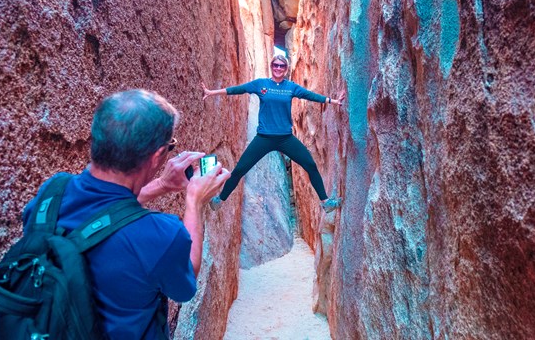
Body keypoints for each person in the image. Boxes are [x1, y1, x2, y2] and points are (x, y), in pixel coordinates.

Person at [22, 89, 230, 339]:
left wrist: (161, 185)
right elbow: (185, 284)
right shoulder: (160, 235)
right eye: (169, 147)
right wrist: (195, 202)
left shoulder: (51, 194)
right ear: (156, 157)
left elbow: (101, 216)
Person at [201, 54, 343, 213]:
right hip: (264, 138)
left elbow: (310, 95)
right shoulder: (261, 84)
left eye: (282, 66)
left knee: (310, 164)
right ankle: (219, 200)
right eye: (275, 65)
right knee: (240, 169)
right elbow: (237, 89)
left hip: (285, 138)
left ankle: (326, 203)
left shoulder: (291, 87)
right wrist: (212, 93)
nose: (278, 68)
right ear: (271, 66)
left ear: (286, 69)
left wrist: (332, 101)